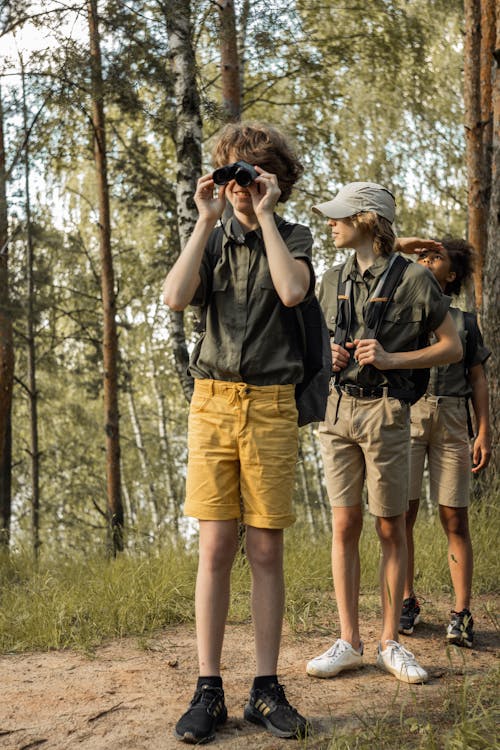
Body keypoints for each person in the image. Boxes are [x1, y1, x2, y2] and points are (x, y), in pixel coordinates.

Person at [163, 122, 313, 744]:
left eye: (252, 173)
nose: (241, 185)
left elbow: (291, 289)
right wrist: (203, 219)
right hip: (213, 403)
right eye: (232, 172)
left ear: (274, 177)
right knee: (216, 547)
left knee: (266, 550)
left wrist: (268, 216)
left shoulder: (295, 235)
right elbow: (175, 298)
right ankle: (208, 687)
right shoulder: (213, 238)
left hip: (272, 405)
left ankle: (265, 688)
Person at [305, 182, 462, 685]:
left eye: (340, 216)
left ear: (367, 221)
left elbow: (452, 347)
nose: (331, 223)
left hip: (387, 414)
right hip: (336, 411)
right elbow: (313, 340)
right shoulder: (330, 279)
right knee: (344, 525)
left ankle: (390, 641)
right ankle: (348, 641)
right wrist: (323, 355)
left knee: (391, 528)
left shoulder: (416, 280)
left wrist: (393, 358)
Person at [400, 238, 491, 647]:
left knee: (455, 518)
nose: (423, 261)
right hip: (408, 415)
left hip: (454, 420)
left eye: (434, 258)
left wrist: (484, 430)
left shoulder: (465, 322)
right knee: (402, 516)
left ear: (451, 275)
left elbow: (477, 378)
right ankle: (406, 601)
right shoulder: (404, 314)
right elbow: (384, 250)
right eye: (421, 256)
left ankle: (461, 613)